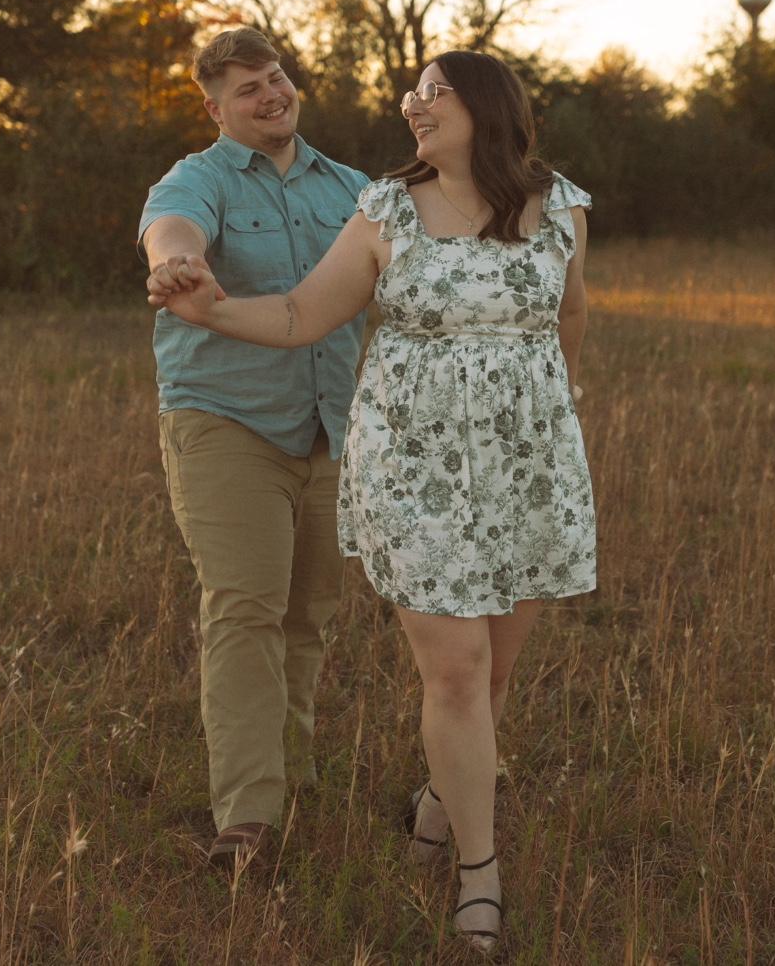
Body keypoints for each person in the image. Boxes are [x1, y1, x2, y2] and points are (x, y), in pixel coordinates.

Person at [152, 50, 596, 953]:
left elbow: (571, 314)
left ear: (485, 104)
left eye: (432, 92)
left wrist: (553, 412)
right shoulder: (386, 207)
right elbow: (297, 314)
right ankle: (477, 872)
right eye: (413, 93)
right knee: (455, 672)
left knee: (494, 674)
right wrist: (205, 306)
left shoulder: (561, 208)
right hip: (414, 469)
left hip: (528, 468)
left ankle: (440, 796)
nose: (412, 105)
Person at [138, 27, 369, 868]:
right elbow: (172, 230)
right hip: (226, 421)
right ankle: (247, 818)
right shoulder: (195, 180)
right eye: (247, 89)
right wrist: (179, 266)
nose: (270, 95)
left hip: (331, 425)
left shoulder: (352, 188)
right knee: (245, 609)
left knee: (308, 615)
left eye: (274, 78)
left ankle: (291, 777)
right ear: (216, 110)